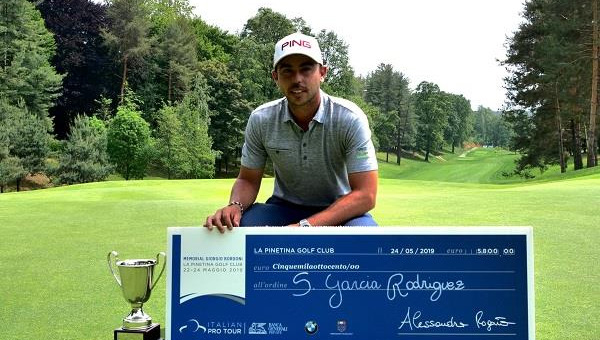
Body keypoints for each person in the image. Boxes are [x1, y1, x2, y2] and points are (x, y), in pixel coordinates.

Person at [204, 32, 378, 233]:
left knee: (366, 237)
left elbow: (366, 195)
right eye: (287, 71)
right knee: (237, 229)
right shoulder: (262, 119)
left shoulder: (349, 118)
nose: (297, 79)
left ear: (322, 72)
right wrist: (235, 205)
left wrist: (305, 226)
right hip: (283, 208)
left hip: (340, 209)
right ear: (275, 77)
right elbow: (247, 179)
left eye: (306, 69)